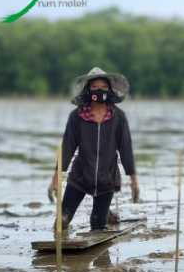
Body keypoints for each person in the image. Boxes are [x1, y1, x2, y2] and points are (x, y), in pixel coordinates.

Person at [48, 67, 139, 231]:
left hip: (107, 179)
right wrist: (55, 177)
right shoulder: (76, 117)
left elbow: (126, 148)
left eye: (104, 87)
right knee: (61, 223)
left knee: (98, 226)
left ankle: (107, 216)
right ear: (88, 90)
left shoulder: (118, 117)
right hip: (80, 177)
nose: (100, 90)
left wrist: (133, 180)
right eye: (95, 86)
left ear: (110, 91)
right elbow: (67, 148)